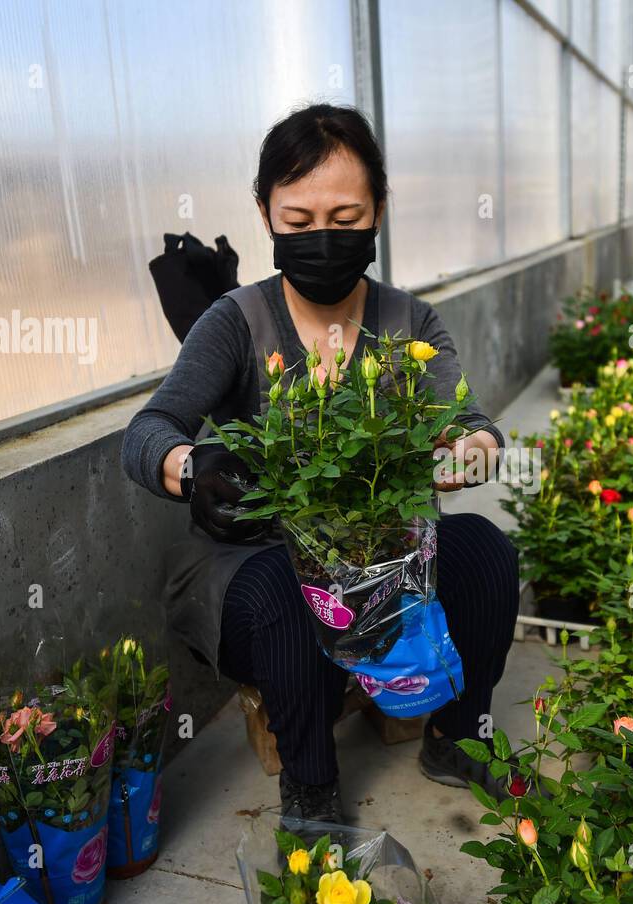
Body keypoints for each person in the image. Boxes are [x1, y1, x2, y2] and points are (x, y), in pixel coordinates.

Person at [120, 104, 520, 827]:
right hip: (257, 560)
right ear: (265, 214)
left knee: (488, 555)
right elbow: (147, 430)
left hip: (381, 554)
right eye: (298, 224)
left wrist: (473, 450)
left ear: (379, 210)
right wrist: (190, 467)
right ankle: (310, 783)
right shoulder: (237, 321)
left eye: (345, 216)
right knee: (288, 591)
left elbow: (468, 422)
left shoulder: (408, 325)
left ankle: (459, 739)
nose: (323, 239)